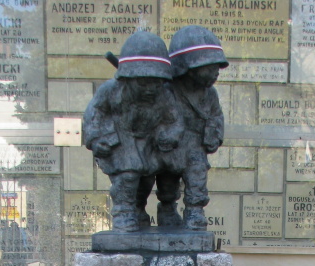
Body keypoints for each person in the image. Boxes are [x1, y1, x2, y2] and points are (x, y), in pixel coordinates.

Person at [83, 31, 184, 232]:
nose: (149, 89)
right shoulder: (111, 90)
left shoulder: (165, 95)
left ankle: (165, 208)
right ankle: (124, 211)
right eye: (143, 83)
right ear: (128, 78)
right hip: (124, 139)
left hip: (153, 142)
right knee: (128, 174)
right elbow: (94, 114)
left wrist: (170, 136)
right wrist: (96, 139)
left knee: (166, 171)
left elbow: (175, 120)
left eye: (155, 82)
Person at [167, 25, 229, 230]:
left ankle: (194, 210)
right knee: (164, 181)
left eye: (217, 68)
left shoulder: (210, 95)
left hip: (194, 145)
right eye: (210, 67)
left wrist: (213, 133)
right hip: (168, 145)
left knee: (197, 172)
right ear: (188, 67)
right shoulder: (167, 91)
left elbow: (216, 116)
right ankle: (166, 208)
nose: (215, 73)